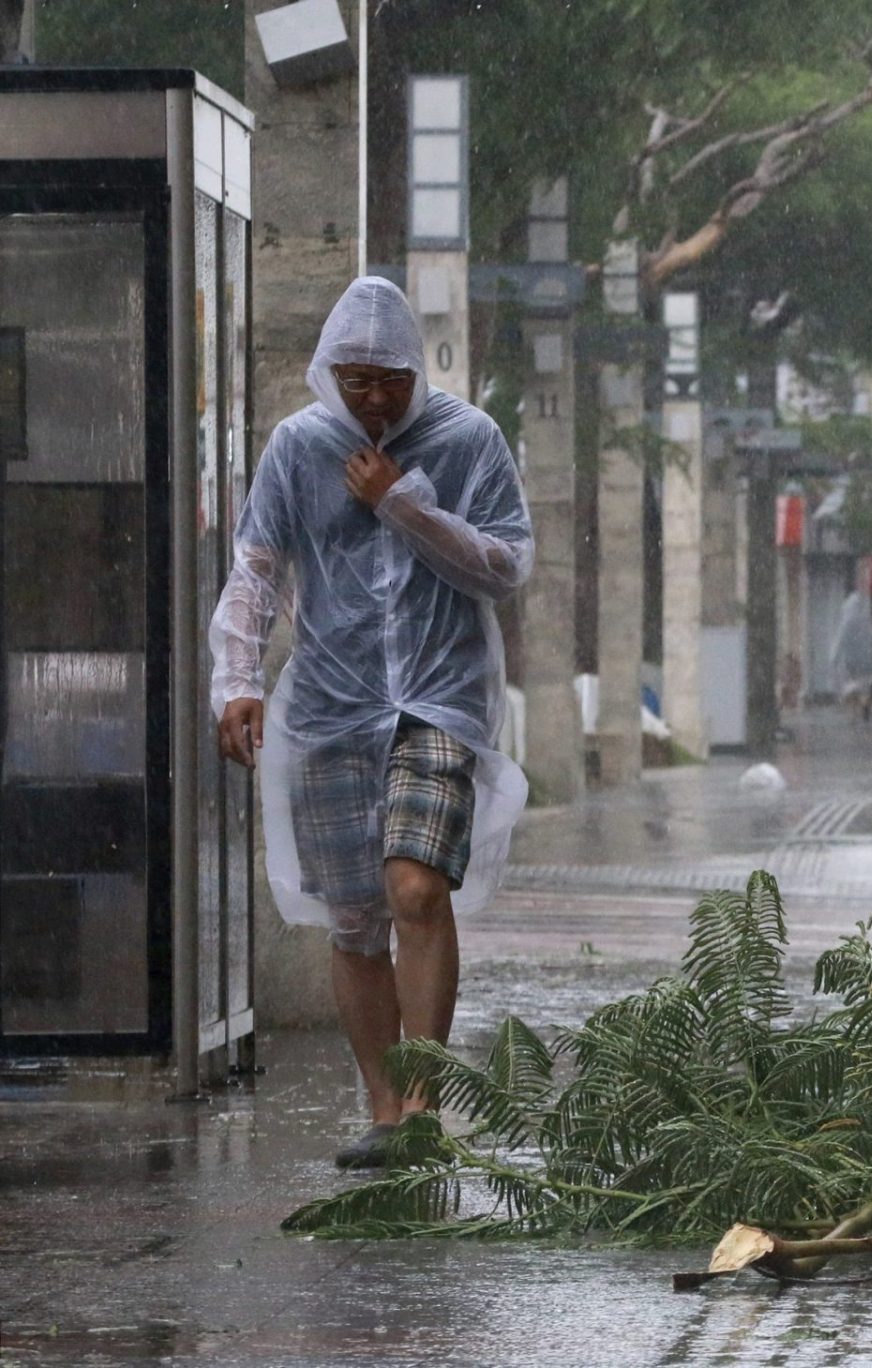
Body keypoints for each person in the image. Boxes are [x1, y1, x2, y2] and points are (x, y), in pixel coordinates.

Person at [210, 277, 533, 1167]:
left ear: (414, 371)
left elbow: (505, 566)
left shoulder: (469, 441)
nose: (375, 397)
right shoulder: (297, 448)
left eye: (390, 377)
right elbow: (257, 571)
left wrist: (404, 503)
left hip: (438, 699)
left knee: (417, 887)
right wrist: (236, 679)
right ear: (329, 374)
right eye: (356, 379)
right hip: (331, 707)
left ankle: (426, 1107)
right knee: (354, 918)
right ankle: (385, 1110)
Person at [828, 584, 872, 722]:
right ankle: (865, 704)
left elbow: (840, 639)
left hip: (851, 659)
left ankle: (853, 714)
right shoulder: (867, 621)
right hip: (867, 659)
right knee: (864, 685)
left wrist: (834, 657)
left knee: (851, 686)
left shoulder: (847, 621)